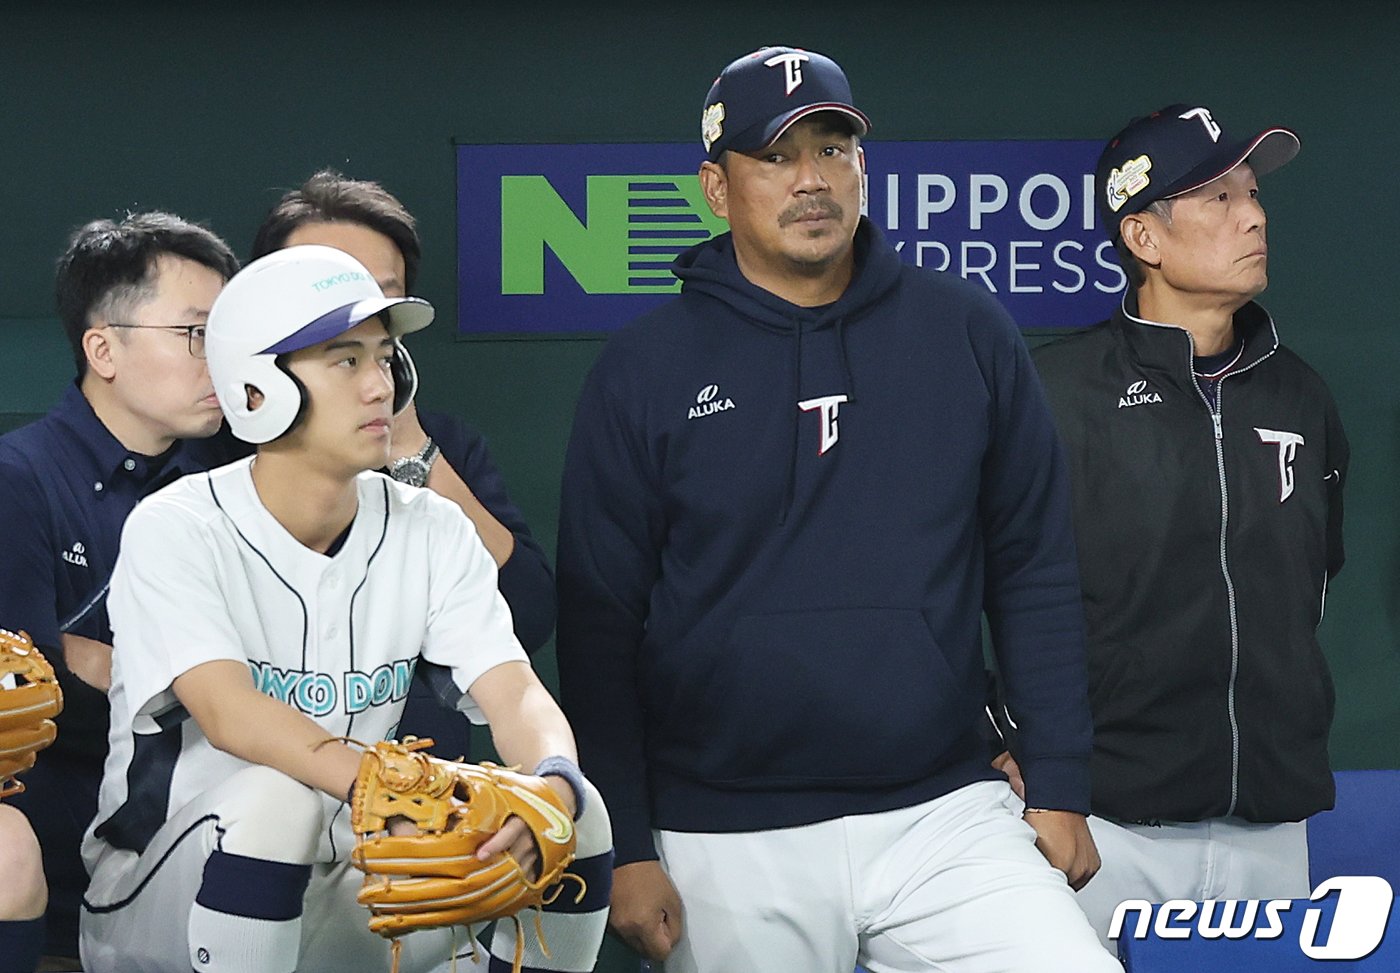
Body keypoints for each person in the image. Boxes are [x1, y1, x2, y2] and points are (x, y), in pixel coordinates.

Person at [555, 46, 1118, 973]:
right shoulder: (644, 369)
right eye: (775, 157)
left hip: (942, 809)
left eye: (833, 149)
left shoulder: (967, 332)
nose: (810, 180)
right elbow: (598, 623)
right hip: (723, 825)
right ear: (715, 186)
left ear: (863, 166)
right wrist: (625, 842)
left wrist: (1057, 779)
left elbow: (1033, 567)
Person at [79, 245, 611, 973]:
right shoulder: (179, 523)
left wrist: (551, 780)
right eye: (345, 360)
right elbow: (229, 712)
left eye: (386, 358)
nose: (380, 387)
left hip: (351, 885)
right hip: (166, 896)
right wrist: (400, 792)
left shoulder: (429, 525)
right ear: (257, 389)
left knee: (572, 812)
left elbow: (514, 688)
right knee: (275, 801)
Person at [1027, 105, 1349, 948]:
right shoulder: (1056, 394)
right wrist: (1008, 742)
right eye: (1217, 196)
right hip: (1102, 825)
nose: (1255, 213)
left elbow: (1314, 579)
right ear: (1145, 236)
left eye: (1252, 192)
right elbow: (963, 585)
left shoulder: (1301, 396)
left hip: (1272, 826)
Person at [249, 171, 557, 760]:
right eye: (329, 295)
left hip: (423, 811)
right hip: (254, 811)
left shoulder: (443, 451)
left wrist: (408, 447)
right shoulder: (206, 475)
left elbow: (526, 619)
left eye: (381, 300)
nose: (358, 319)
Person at [0, 212, 240, 965]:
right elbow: (23, 698)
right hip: (58, 880)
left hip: (220, 869)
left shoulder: (238, 479)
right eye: (195, 334)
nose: (221, 360)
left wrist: (112, 663)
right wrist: (196, 688)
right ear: (103, 348)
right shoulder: (19, 477)